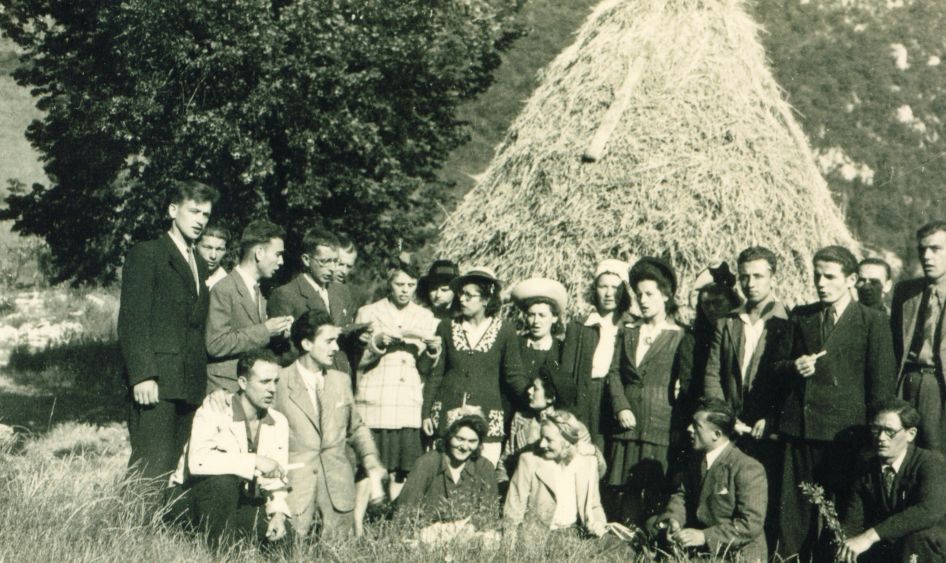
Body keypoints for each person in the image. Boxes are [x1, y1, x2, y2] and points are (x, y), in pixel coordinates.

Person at [775, 245, 896, 559]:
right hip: (800, 430)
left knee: (841, 513)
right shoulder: (802, 316)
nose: (821, 283)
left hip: (846, 435)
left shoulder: (871, 321)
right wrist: (794, 366)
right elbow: (774, 367)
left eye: (830, 277)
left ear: (851, 279)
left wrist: (873, 436)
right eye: (817, 276)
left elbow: (881, 386)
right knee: (794, 515)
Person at [118, 179, 218, 480]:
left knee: (171, 463)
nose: (200, 221)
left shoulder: (199, 264)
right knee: (150, 463)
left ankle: (151, 527)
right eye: (194, 211)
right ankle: (128, 527)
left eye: (206, 215)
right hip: (157, 381)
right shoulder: (147, 253)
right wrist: (143, 375)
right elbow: (133, 321)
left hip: (188, 383)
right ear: (173, 210)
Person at [275, 310, 385, 538]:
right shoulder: (278, 381)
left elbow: (356, 427)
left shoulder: (341, 380)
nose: (336, 348)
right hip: (296, 493)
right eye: (329, 341)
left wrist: (370, 457)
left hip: (338, 493)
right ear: (306, 343)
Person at [168, 350, 290, 546]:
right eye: (264, 382)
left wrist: (278, 514)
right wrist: (255, 461)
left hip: (239, 502)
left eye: (275, 381)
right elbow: (198, 462)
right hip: (191, 499)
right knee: (223, 482)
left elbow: (276, 480)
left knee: (283, 538)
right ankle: (221, 554)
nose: (272, 389)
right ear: (242, 383)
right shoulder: (214, 409)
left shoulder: (278, 421)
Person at [607, 257, 694, 526]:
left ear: (666, 295)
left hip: (660, 421)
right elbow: (613, 373)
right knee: (623, 484)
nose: (643, 300)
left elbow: (687, 383)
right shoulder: (628, 331)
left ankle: (649, 536)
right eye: (639, 294)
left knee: (656, 484)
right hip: (628, 419)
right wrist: (621, 406)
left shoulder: (679, 335)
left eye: (650, 294)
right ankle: (622, 532)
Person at [354, 253, 440, 499]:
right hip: (376, 397)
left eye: (411, 285)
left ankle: (395, 515)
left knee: (402, 469)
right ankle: (368, 516)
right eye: (399, 285)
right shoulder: (368, 313)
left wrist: (432, 350)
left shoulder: (425, 317)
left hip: (406, 399)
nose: (405, 291)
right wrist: (377, 343)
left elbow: (424, 367)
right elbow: (356, 362)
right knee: (371, 463)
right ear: (388, 283)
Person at [422, 267, 529, 466]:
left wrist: (532, 397)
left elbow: (513, 374)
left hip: (487, 413)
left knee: (483, 474)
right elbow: (436, 373)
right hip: (448, 410)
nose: (462, 299)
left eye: (469, 295)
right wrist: (426, 412)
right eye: (461, 294)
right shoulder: (446, 327)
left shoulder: (505, 330)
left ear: (486, 300)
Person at [649, 397, 767, 562]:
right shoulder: (696, 460)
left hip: (735, 553)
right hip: (703, 549)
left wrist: (704, 537)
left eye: (697, 426)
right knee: (652, 525)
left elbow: (750, 524)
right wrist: (674, 521)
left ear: (716, 434)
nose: (689, 429)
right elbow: (681, 496)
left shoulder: (748, 468)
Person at [839, 398, 946, 563]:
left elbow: (927, 511)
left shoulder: (930, 463)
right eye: (876, 429)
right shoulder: (867, 467)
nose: (881, 438)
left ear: (910, 434)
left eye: (890, 431)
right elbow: (853, 518)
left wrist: (870, 536)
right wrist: (845, 546)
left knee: (918, 536)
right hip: (889, 548)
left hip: (930, 549)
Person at [703, 247, 789, 439]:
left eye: (758, 276)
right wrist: (724, 417)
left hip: (768, 427)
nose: (750, 284)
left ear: (773, 279)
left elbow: (789, 379)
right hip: (731, 421)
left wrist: (772, 418)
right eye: (744, 276)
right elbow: (713, 373)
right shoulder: (728, 322)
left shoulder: (788, 321)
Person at [205, 220, 293, 392]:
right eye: (277, 254)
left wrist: (279, 332)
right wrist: (266, 330)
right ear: (259, 253)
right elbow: (215, 343)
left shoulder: (259, 291)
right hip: (226, 389)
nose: (281, 261)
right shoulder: (224, 289)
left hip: (250, 390)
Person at [558, 259, 635, 452]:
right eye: (603, 287)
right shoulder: (579, 326)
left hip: (620, 397)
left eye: (615, 287)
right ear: (595, 290)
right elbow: (566, 374)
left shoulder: (632, 327)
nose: (609, 293)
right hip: (587, 395)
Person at [503, 410, 608, 538]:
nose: (542, 444)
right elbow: (513, 510)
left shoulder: (587, 463)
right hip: (538, 538)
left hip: (576, 536)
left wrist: (599, 523)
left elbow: (594, 506)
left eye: (549, 440)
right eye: (541, 437)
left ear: (567, 442)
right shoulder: (529, 461)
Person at [267, 228, 356, 373]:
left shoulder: (342, 291)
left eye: (335, 262)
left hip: (341, 378)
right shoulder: (285, 295)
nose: (332, 268)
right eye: (325, 262)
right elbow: (283, 351)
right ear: (306, 260)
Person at [892, 221, 946, 455]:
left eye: (935, 249)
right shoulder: (906, 292)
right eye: (922, 250)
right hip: (907, 381)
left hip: (939, 385)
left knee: (936, 454)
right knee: (902, 452)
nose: (927, 256)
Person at [397, 409, 498, 521]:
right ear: (449, 436)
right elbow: (404, 510)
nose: (464, 447)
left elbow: (491, 515)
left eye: (472, 441)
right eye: (460, 439)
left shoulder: (484, 467)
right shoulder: (428, 462)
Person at [334, 233, 370, 309]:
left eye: (349, 266)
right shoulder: (313, 289)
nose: (344, 271)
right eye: (340, 264)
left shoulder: (356, 295)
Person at [196, 223, 229, 290]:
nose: (213, 256)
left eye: (219, 249)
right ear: (195, 246)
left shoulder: (225, 283)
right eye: (208, 248)